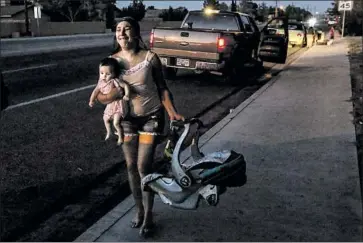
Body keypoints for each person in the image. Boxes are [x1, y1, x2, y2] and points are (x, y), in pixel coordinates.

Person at [96, 17, 184, 237]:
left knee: (144, 166)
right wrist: (113, 95)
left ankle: (149, 215)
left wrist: (172, 113)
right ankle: (138, 209)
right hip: (125, 120)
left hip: (151, 118)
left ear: (136, 33)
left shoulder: (150, 58)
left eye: (127, 29)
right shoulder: (111, 62)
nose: (122, 33)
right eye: (118, 29)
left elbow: (162, 88)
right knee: (130, 167)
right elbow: (101, 95)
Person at [89, 57, 130, 145]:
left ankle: (120, 137)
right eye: (102, 73)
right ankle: (109, 132)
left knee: (116, 123)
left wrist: (127, 95)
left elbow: (126, 85)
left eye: (107, 74)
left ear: (114, 74)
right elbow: (95, 91)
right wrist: (91, 100)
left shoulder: (114, 81)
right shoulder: (100, 83)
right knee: (106, 119)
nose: (104, 76)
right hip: (110, 105)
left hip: (118, 104)